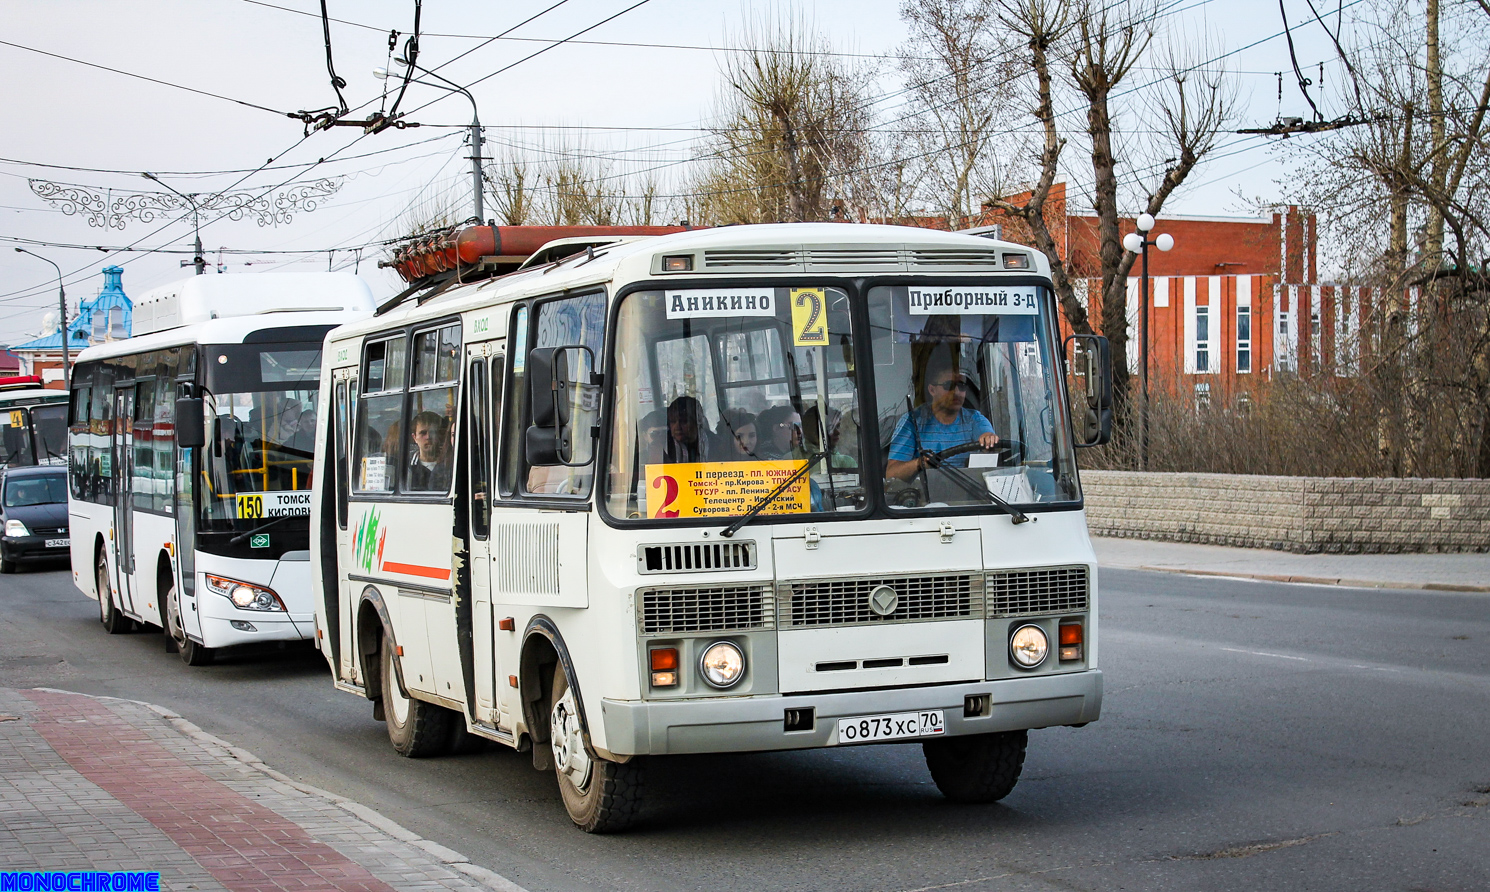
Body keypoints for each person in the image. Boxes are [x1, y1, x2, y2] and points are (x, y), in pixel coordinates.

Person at [884, 359, 998, 481]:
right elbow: (891, 474)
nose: (956, 392)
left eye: (961, 386)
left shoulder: (974, 419)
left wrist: (988, 440)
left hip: (969, 496)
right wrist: (920, 463)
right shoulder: (912, 422)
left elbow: (988, 437)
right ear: (932, 390)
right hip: (925, 497)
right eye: (948, 386)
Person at [406, 411, 452, 491]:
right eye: (423, 433)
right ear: (414, 437)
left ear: (440, 435)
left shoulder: (450, 462)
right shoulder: (406, 466)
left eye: (433, 432)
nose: (428, 437)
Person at [663, 396, 710, 463]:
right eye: (673, 421)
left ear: (697, 422)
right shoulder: (662, 446)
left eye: (684, 421)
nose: (677, 427)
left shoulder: (716, 444)